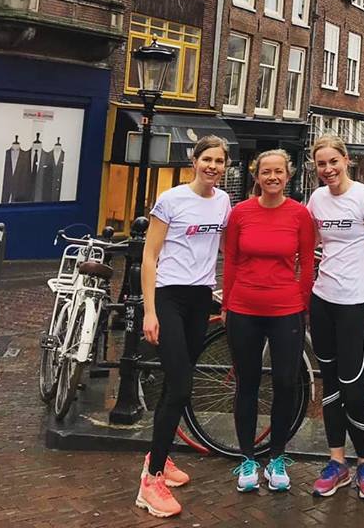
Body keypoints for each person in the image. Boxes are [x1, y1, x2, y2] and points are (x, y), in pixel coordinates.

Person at [136, 136, 232, 519]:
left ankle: (156, 457)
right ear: (194, 161)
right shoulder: (171, 199)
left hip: (200, 297)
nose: (212, 166)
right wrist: (149, 311)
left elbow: (226, 249)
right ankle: (150, 482)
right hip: (169, 298)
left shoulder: (223, 201)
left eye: (219, 161)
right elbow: (149, 255)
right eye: (207, 159)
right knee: (179, 386)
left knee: (176, 383)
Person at [222, 150, 314, 493]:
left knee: (285, 383)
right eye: (266, 172)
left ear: (288, 175)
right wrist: (228, 303)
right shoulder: (240, 213)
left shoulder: (300, 214)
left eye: (278, 171)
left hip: (285, 309)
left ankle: (277, 457)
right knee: (246, 383)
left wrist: (301, 302)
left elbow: (307, 262)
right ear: (256, 176)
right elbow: (231, 260)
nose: (272, 177)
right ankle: (247, 458)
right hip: (244, 307)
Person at [307, 135, 364, 502]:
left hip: (357, 304)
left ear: (346, 160)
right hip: (323, 300)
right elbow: (311, 244)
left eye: (333, 162)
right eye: (321, 164)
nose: (328, 169)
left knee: (354, 391)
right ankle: (336, 462)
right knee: (330, 386)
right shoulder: (316, 199)